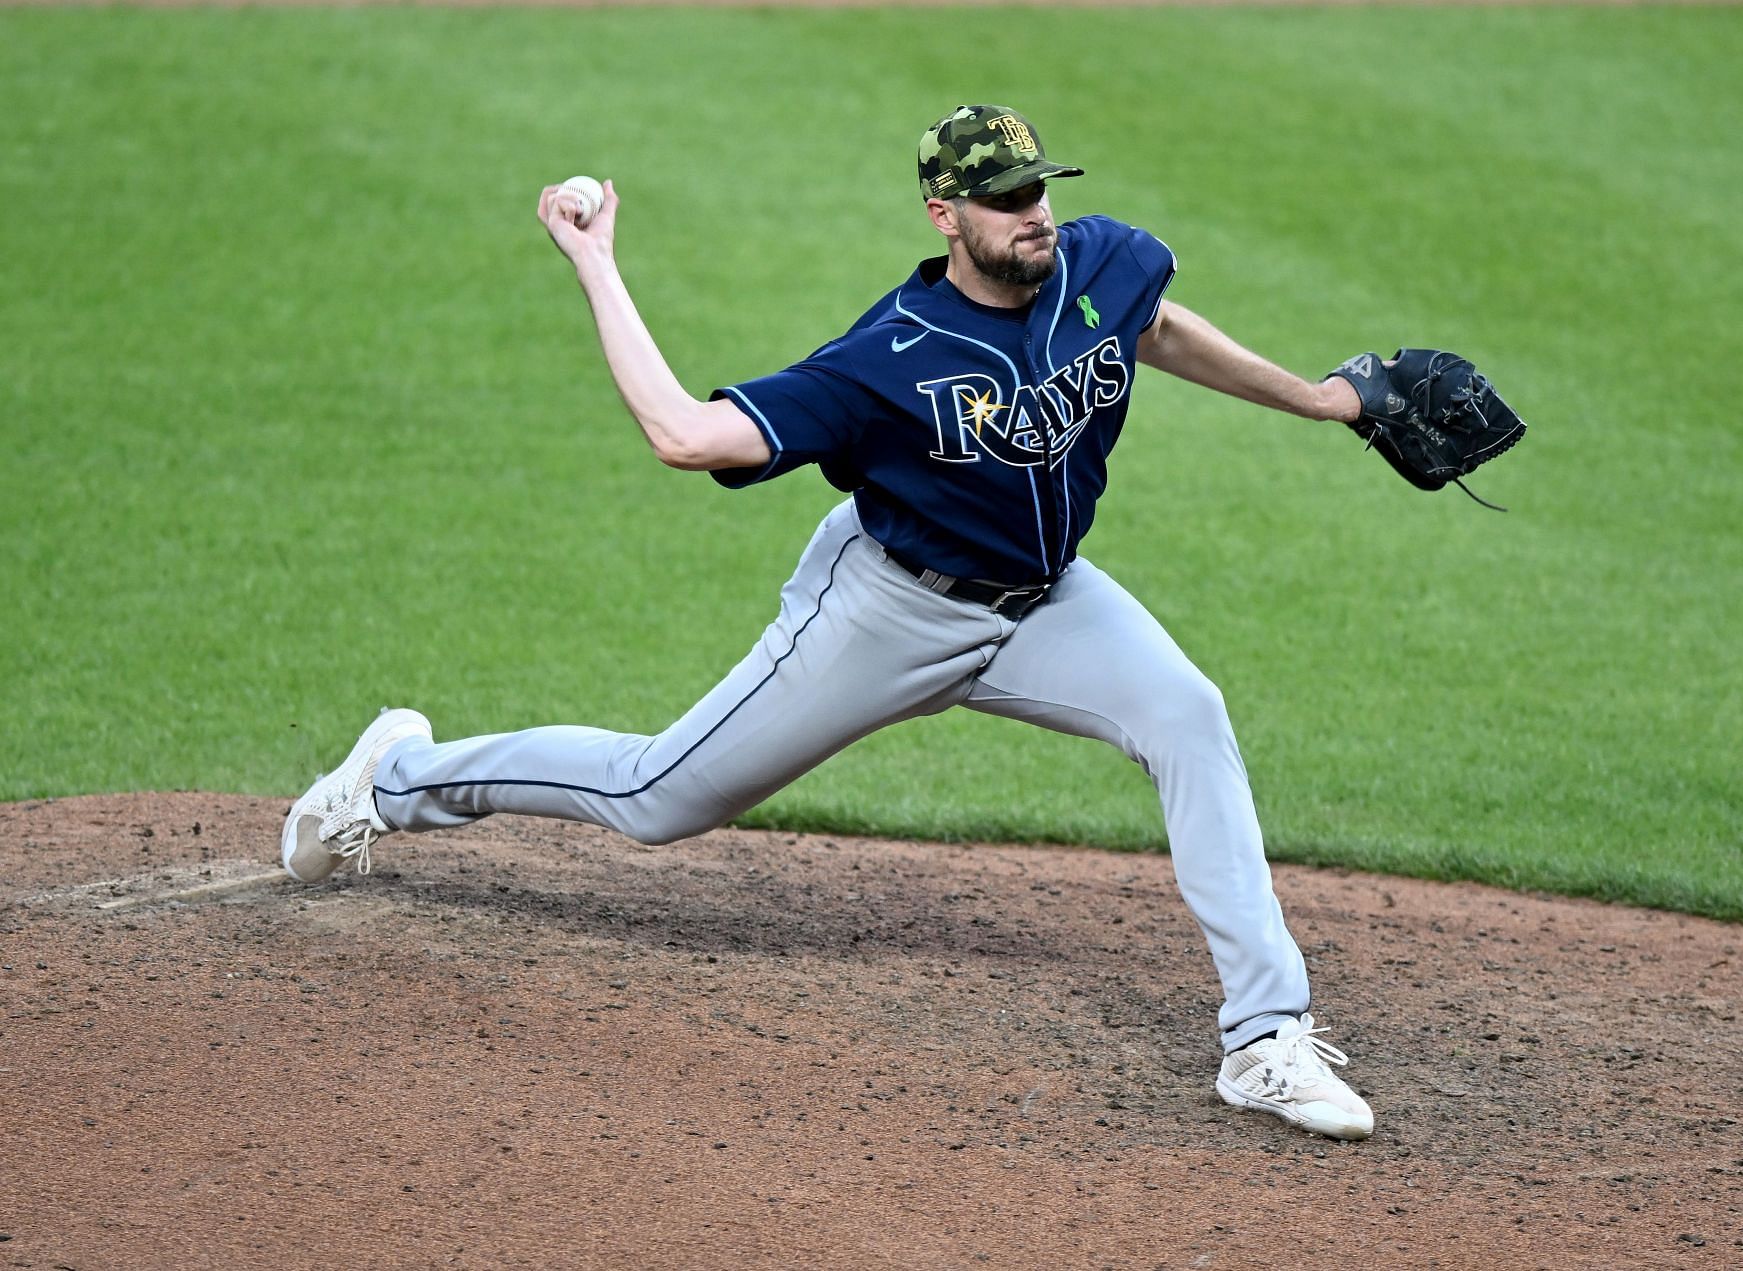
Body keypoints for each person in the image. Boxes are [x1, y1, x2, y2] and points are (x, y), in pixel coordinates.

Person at [282, 105, 1374, 1142]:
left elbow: (1157, 327)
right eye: (1002, 198)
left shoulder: (1099, 264)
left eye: (1038, 186)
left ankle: (1264, 1036)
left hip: (1048, 600)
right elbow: (683, 434)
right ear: (945, 217)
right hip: (886, 608)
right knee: (654, 796)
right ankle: (393, 778)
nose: (1032, 211)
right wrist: (597, 264)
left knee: (1189, 712)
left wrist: (1320, 399)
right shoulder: (887, 357)